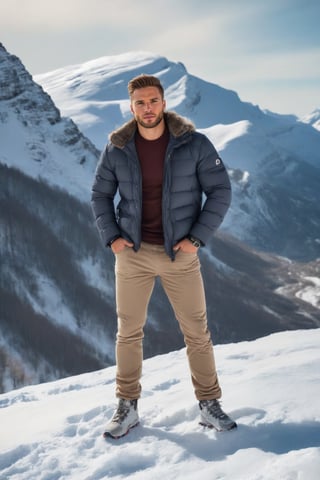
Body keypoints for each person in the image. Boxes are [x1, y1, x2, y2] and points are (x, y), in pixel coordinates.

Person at [91, 74, 236, 439]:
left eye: (153, 100)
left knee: (197, 333)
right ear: (131, 107)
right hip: (133, 255)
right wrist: (112, 238)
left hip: (180, 255)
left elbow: (220, 191)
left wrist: (196, 239)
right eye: (140, 102)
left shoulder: (194, 144)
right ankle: (127, 407)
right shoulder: (117, 147)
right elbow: (99, 195)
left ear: (164, 102)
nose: (148, 108)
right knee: (128, 333)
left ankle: (209, 404)